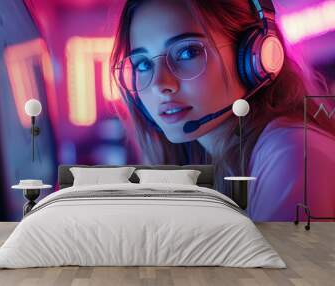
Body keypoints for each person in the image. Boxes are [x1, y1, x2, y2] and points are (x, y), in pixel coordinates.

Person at [110, 0, 335, 221]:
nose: (159, 84)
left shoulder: (292, 154)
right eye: (143, 64)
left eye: (188, 52)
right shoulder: (212, 164)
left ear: (256, 56)